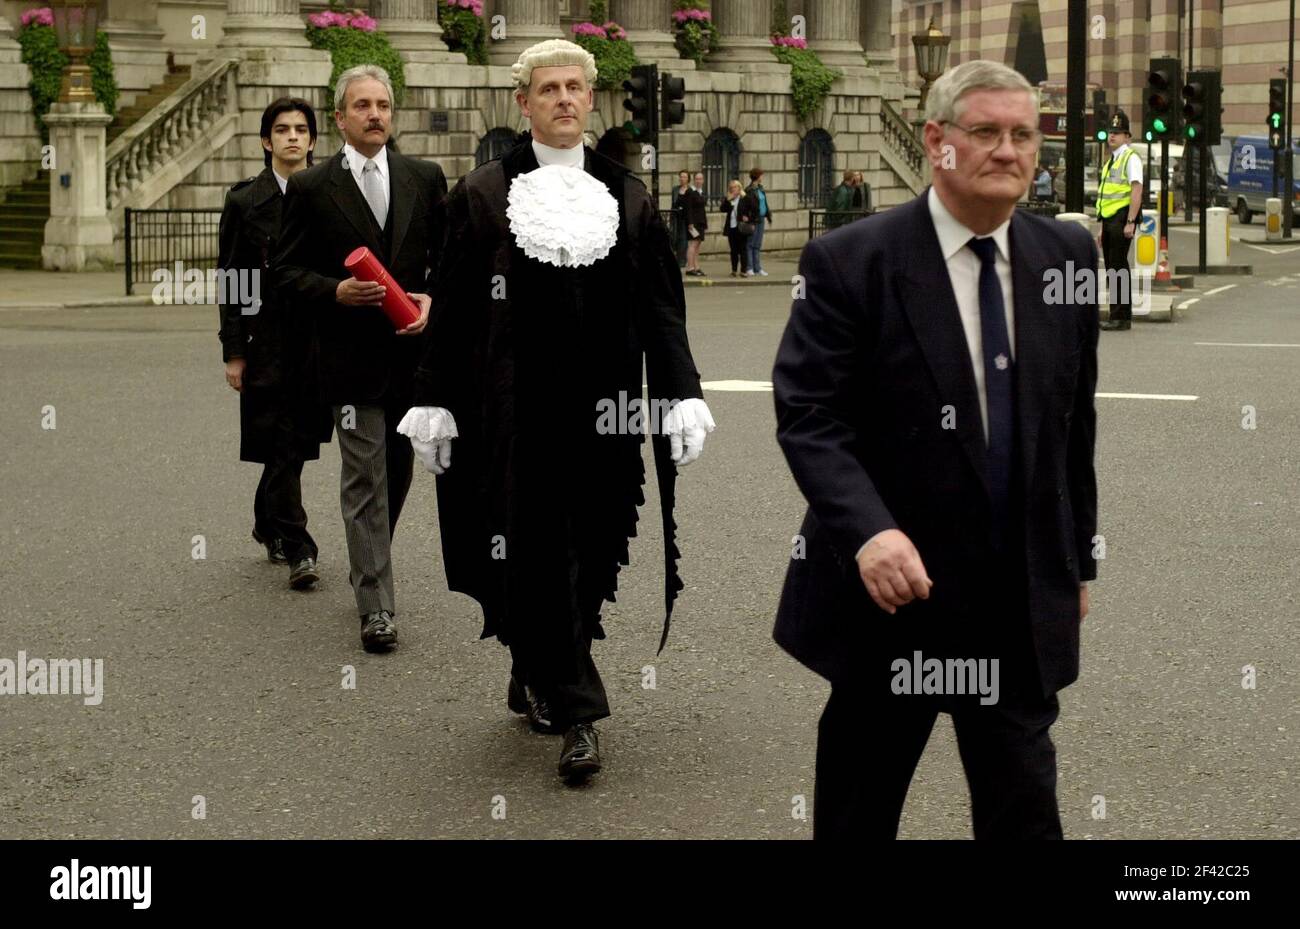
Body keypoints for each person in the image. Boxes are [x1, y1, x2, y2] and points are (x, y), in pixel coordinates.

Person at [772, 59, 1099, 840]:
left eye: (1023, 134)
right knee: (860, 805)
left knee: (1024, 806)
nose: (1008, 150)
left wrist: (1077, 559)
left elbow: (1072, 424)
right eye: (984, 131)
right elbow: (810, 414)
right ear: (936, 141)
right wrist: (869, 531)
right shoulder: (853, 260)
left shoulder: (1068, 258)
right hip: (895, 595)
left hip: (1016, 596)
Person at [398, 39, 715, 783]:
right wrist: (433, 400)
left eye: (576, 87)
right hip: (514, 413)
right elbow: (452, 312)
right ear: (525, 103)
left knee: (595, 546)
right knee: (538, 545)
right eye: (549, 89)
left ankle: (534, 664)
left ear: (591, 98)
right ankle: (579, 710)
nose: (565, 98)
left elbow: (662, 313)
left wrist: (683, 395)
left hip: (606, 415)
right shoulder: (481, 193)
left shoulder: (629, 195)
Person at [272, 65, 448, 652]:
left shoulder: (425, 177)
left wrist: (432, 299)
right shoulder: (312, 188)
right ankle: (377, 606)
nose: (375, 115)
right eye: (362, 106)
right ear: (341, 117)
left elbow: (448, 264)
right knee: (365, 477)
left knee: (396, 475)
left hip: (411, 357)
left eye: (383, 105)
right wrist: (335, 291)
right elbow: (285, 272)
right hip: (348, 363)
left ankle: (366, 554)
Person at [217, 97, 333, 591]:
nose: (292, 137)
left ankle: (268, 521)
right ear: (267, 140)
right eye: (282, 129)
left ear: (311, 139)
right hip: (266, 340)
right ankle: (298, 546)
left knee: (300, 442)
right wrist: (234, 350)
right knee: (281, 438)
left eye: (301, 129)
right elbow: (232, 278)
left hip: (318, 337)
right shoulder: (245, 201)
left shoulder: (329, 193)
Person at [1096, 109, 1143, 331]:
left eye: (1118, 132)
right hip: (1110, 221)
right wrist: (1101, 227)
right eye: (1110, 132)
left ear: (1127, 137)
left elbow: (1136, 190)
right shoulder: (1111, 161)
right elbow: (1106, 196)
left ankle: (1120, 317)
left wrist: (1131, 221)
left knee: (1118, 268)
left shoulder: (1130, 158)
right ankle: (1119, 315)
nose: (1112, 136)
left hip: (1122, 218)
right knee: (1114, 268)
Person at [720, 179, 758, 276]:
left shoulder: (745, 198)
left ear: (739, 188)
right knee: (733, 250)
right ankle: (734, 270)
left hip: (741, 227)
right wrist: (728, 199)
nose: (733, 189)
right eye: (731, 188)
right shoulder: (729, 199)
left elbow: (755, 210)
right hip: (731, 227)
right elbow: (722, 209)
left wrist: (748, 218)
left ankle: (743, 270)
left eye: (735, 187)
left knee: (743, 249)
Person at [745, 166, 774, 276]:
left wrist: (768, 214)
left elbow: (764, 203)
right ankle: (749, 267)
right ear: (757, 176)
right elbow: (747, 206)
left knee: (757, 244)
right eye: (761, 175)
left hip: (761, 218)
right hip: (753, 219)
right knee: (750, 243)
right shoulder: (749, 190)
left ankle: (758, 268)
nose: (762, 177)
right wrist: (749, 219)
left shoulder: (761, 189)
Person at [683, 171, 708, 276]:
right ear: (694, 180)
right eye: (697, 179)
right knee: (692, 244)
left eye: (700, 179)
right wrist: (690, 223)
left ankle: (696, 266)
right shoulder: (690, 191)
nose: (699, 181)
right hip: (693, 223)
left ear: (703, 180)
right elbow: (688, 208)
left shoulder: (700, 192)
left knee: (697, 245)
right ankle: (690, 267)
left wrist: (705, 223)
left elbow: (702, 209)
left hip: (700, 222)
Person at [671, 170, 691, 268]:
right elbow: (673, 204)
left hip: (686, 218)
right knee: (675, 237)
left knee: (683, 239)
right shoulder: (675, 189)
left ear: (688, 179)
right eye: (681, 177)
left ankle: (682, 260)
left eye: (684, 177)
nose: (682, 179)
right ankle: (677, 258)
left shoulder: (690, 190)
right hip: (676, 216)